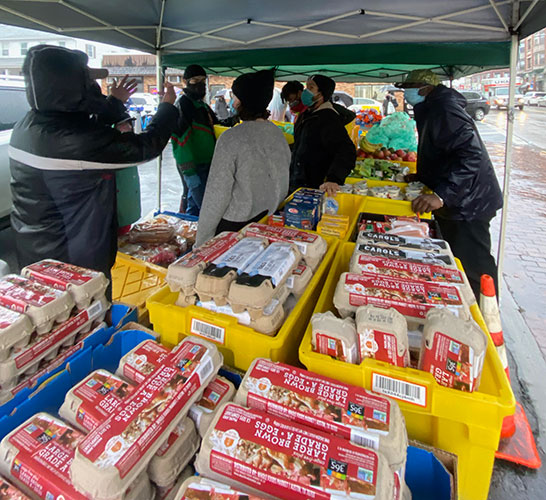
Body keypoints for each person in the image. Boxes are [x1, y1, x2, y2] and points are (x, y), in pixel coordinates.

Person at [9, 45, 178, 296]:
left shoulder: (31, 125)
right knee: (85, 327)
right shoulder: (73, 140)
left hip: (41, 254)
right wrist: (167, 107)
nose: (94, 86)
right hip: (75, 268)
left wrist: (114, 103)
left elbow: (86, 129)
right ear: (68, 88)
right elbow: (146, 147)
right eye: (86, 80)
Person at [395, 69, 503, 299]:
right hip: (460, 200)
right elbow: (443, 151)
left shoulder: (445, 109)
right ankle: (463, 308)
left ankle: (485, 319)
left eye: (410, 88)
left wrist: (442, 195)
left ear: (426, 88)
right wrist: (424, 176)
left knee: (473, 264)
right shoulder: (432, 107)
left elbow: (470, 155)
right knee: (455, 259)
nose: (407, 94)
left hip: (469, 203)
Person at [196, 69, 290, 247]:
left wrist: (202, 241)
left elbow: (216, 194)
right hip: (267, 219)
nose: (232, 101)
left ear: (245, 100)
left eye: (235, 96)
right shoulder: (276, 133)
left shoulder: (232, 138)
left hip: (235, 225)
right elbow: (283, 177)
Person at [289, 75, 356, 196]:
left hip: (315, 186)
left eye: (311, 87)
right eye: (306, 86)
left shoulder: (329, 119)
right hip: (297, 183)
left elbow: (346, 150)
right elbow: (302, 144)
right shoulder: (305, 115)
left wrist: (334, 179)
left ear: (321, 93)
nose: (305, 91)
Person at [171, 64, 217, 216]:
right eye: (195, 80)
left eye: (203, 80)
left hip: (206, 164)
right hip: (194, 167)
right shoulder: (183, 104)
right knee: (206, 212)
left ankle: (191, 235)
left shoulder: (201, 105)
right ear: (185, 82)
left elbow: (217, 125)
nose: (200, 84)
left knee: (195, 209)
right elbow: (180, 141)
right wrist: (189, 172)